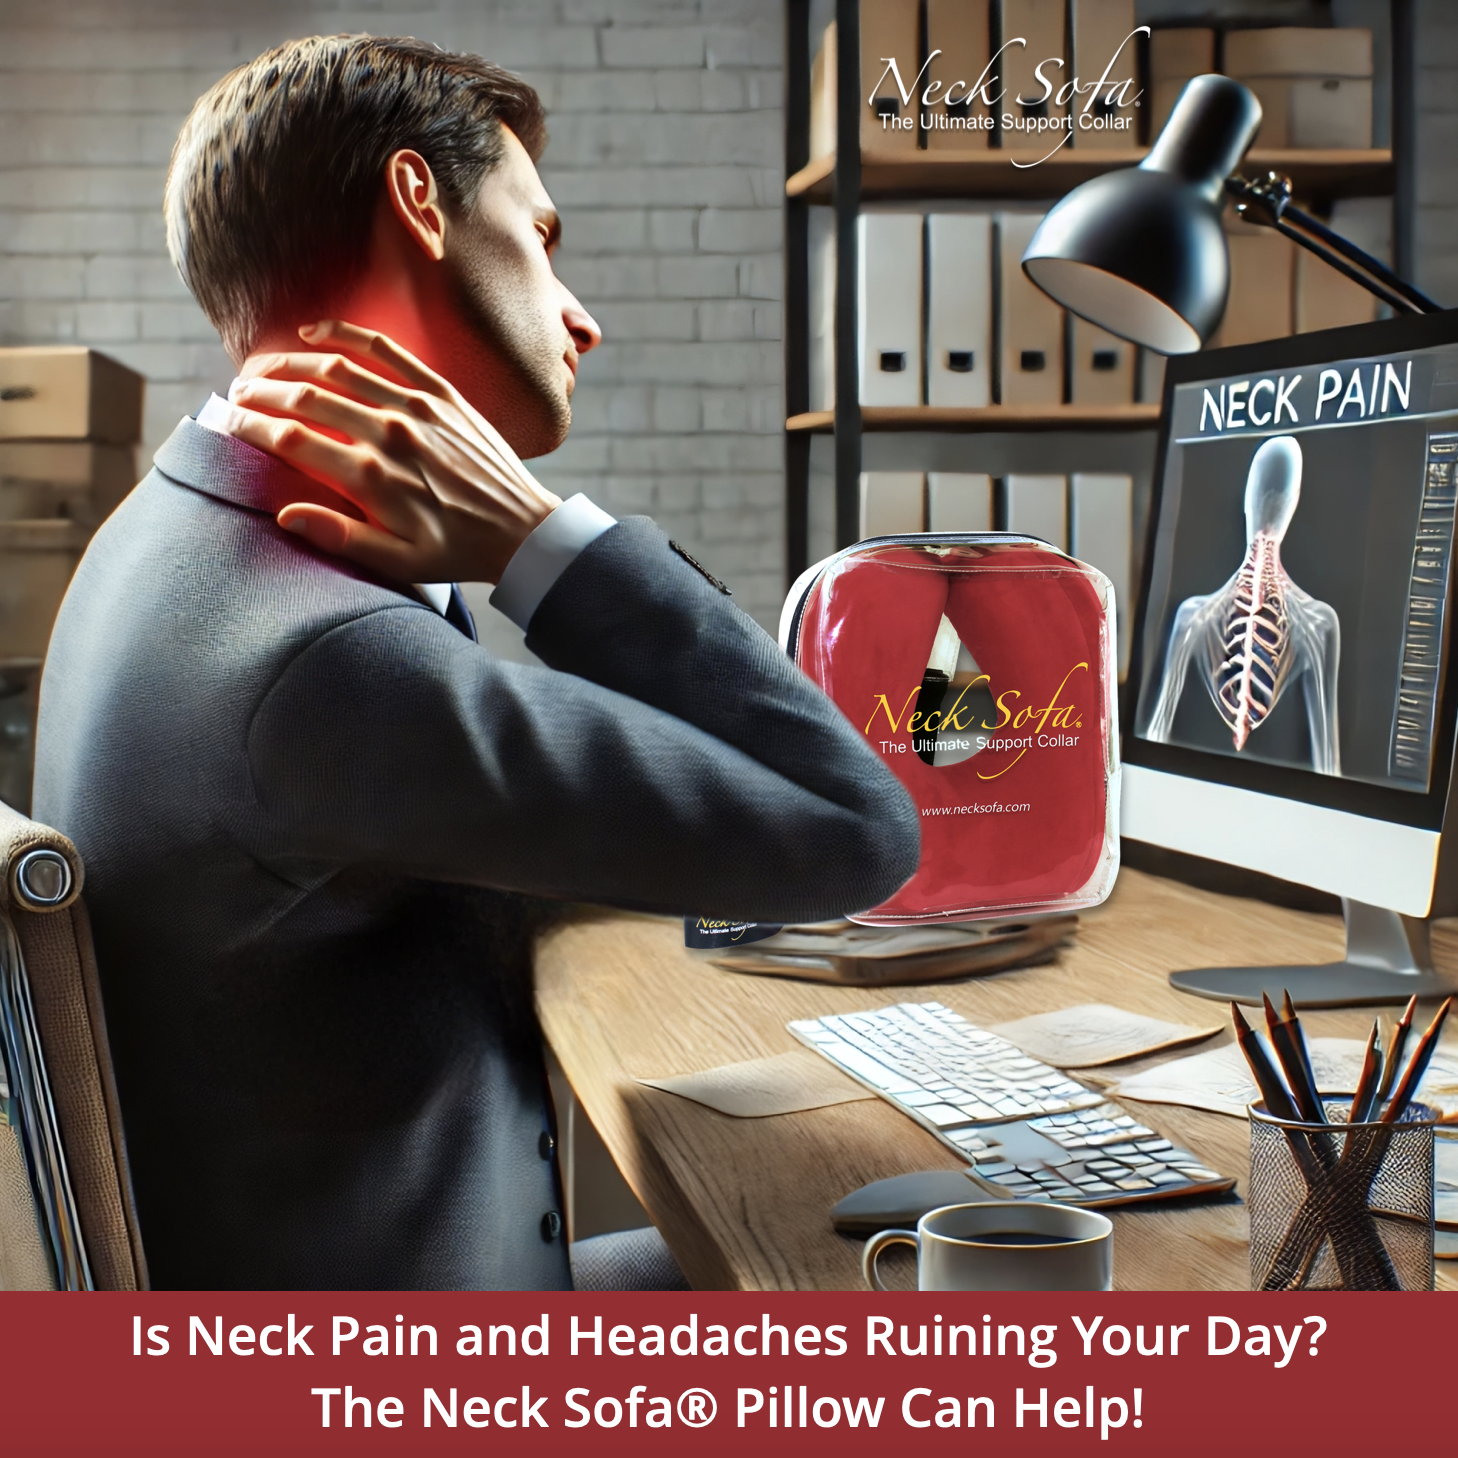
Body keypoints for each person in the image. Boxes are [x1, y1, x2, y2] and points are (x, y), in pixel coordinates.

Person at [31, 35, 919, 1290]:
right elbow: (856, 832)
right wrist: (538, 537)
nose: (582, 316)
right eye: (540, 237)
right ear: (419, 204)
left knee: (828, 1222)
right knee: (928, 1281)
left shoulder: (171, 533)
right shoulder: (320, 660)